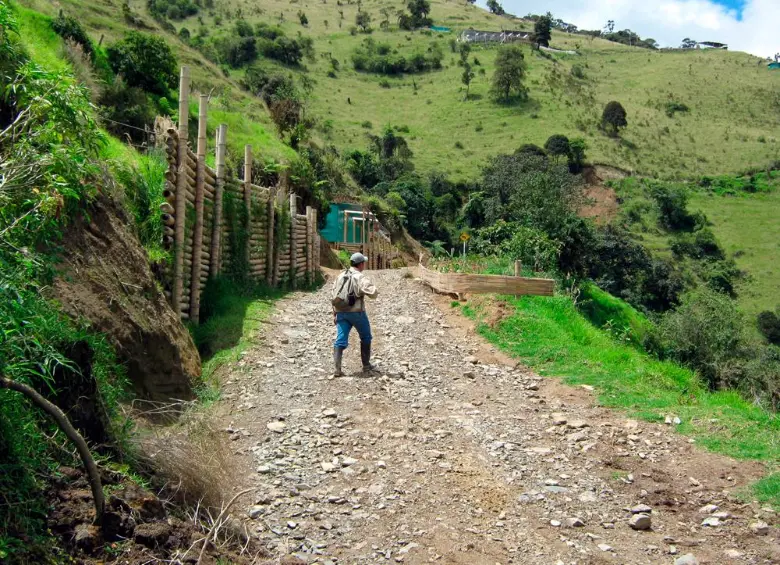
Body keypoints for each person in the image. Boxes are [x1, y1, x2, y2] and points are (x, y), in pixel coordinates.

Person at [332, 253, 378, 376]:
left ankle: (337, 369)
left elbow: (333, 295)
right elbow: (373, 293)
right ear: (361, 264)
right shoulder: (360, 277)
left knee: (340, 339)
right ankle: (366, 366)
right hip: (357, 313)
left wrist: (334, 313)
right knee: (366, 337)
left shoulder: (340, 275)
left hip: (341, 312)